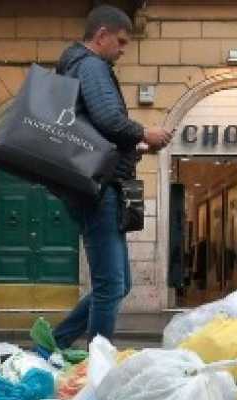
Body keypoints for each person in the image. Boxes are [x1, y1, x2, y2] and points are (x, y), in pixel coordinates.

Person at [51, 5, 173, 348]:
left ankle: (52, 345)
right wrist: (144, 132)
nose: (122, 49)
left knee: (120, 285)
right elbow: (107, 118)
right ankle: (96, 366)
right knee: (110, 285)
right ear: (101, 35)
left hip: (97, 184)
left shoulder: (78, 66)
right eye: (119, 42)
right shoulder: (91, 65)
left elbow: (97, 130)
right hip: (98, 189)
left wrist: (134, 145)